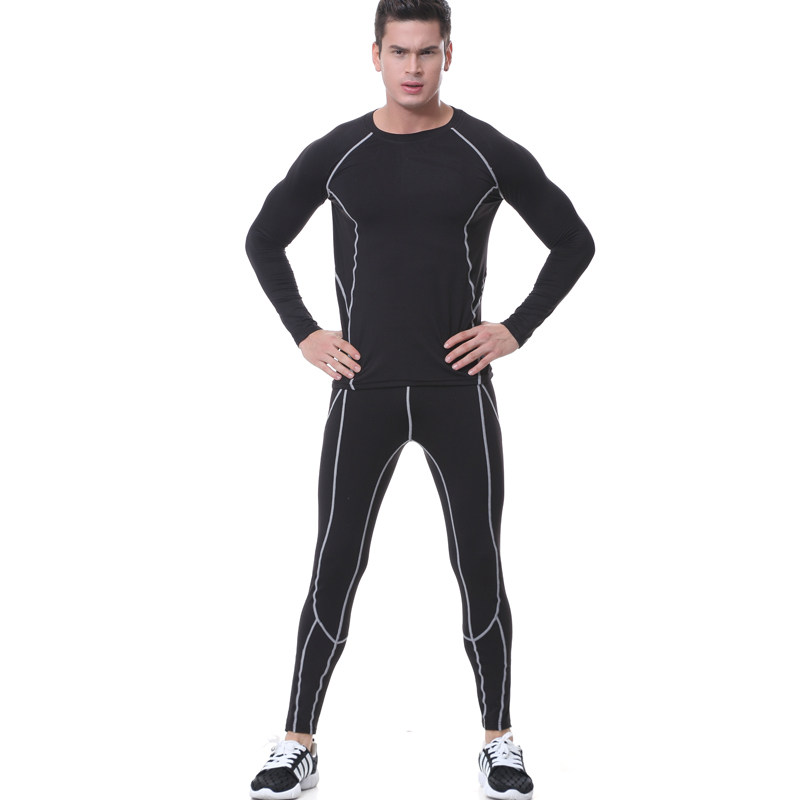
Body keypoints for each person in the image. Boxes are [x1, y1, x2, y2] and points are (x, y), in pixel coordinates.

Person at [244, 1, 594, 797]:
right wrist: (305, 333)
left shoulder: (485, 151)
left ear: (448, 55)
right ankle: (297, 741)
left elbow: (574, 241)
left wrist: (515, 329)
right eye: (399, 52)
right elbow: (263, 239)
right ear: (375, 54)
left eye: (426, 52)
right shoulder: (339, 154)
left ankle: (499, 740)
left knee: (479, 563)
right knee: (336, 561)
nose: (412, 68)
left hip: (457, 391)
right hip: (362, 388)